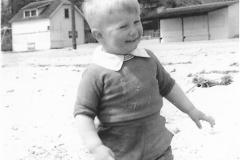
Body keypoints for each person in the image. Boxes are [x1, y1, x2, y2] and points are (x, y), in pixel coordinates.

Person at [73, 0, 215, 160]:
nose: (134, 31)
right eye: (123, 26)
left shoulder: (148, 58)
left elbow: (169, 87)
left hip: (159, 149)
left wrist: (191, 110)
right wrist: (95, 145)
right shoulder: (96, 72)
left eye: (136, 21)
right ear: (99, 35)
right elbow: (83, 113)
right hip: (119, 154)